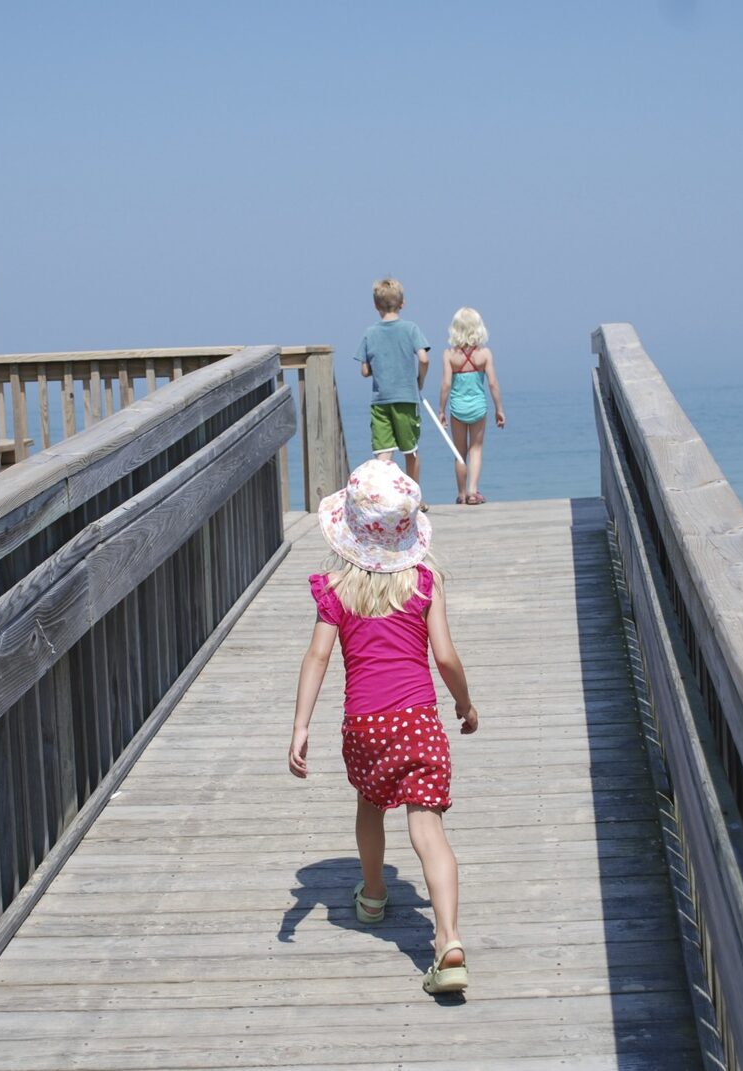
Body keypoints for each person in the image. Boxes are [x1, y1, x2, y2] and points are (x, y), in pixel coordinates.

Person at [289, 458, 479, 994]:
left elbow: (318, 658)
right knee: (428, 829)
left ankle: (372, 895)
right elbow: (443, 656)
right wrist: (465, 704)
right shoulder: (423, 581)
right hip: (419, 720)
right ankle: (448, 941)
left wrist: (301, 726)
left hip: (364, 726)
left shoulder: (336, 588)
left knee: (370, 805)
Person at [356, 278, 430, 504]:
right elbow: (424, 358)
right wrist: (420, 379)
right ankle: (413, 498)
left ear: (376, 306)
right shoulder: (411, 329)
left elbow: (365, 370)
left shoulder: (370, 333)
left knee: (383, 454)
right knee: (411, 450)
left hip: (380, 401)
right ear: (402, 303)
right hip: (407, 397)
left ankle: (384, 501)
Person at [437, 307, 507, 505]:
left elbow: (446, 384)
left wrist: (441, 410)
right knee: (476, 449)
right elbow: (493, 383)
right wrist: (499, 409)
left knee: (460, 452)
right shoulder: (484, 354)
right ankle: (473, 492)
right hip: (478, 407)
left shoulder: (449, 355)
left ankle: (460, 494)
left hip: (458, 408)